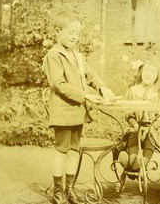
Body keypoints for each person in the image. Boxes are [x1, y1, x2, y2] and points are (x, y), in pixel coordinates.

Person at [43, 11, 115, 204]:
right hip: (63, 111)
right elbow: (58, 84)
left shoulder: (77, 55)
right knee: (62, 150)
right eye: (70, 32)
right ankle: (58, 191)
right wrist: (85, 96)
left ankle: (69, 189)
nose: (74, 36)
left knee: (75, 150)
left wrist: (103, 87)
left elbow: (91, 75)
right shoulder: (54, 55)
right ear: (58, 32)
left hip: (78, 111)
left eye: (77, 33)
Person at [118, 57, 160, 174]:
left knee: (150, 138)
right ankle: (133, 159)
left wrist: (151, 127)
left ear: (157, 76)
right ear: (141, 72)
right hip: (136, 126)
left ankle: (141, 163)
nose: (149, 74)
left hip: (153, 128)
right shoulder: (133, 90)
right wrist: (135, 124)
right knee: (133, 136)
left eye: (153, 72)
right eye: (147, 70)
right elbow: (127, 112)